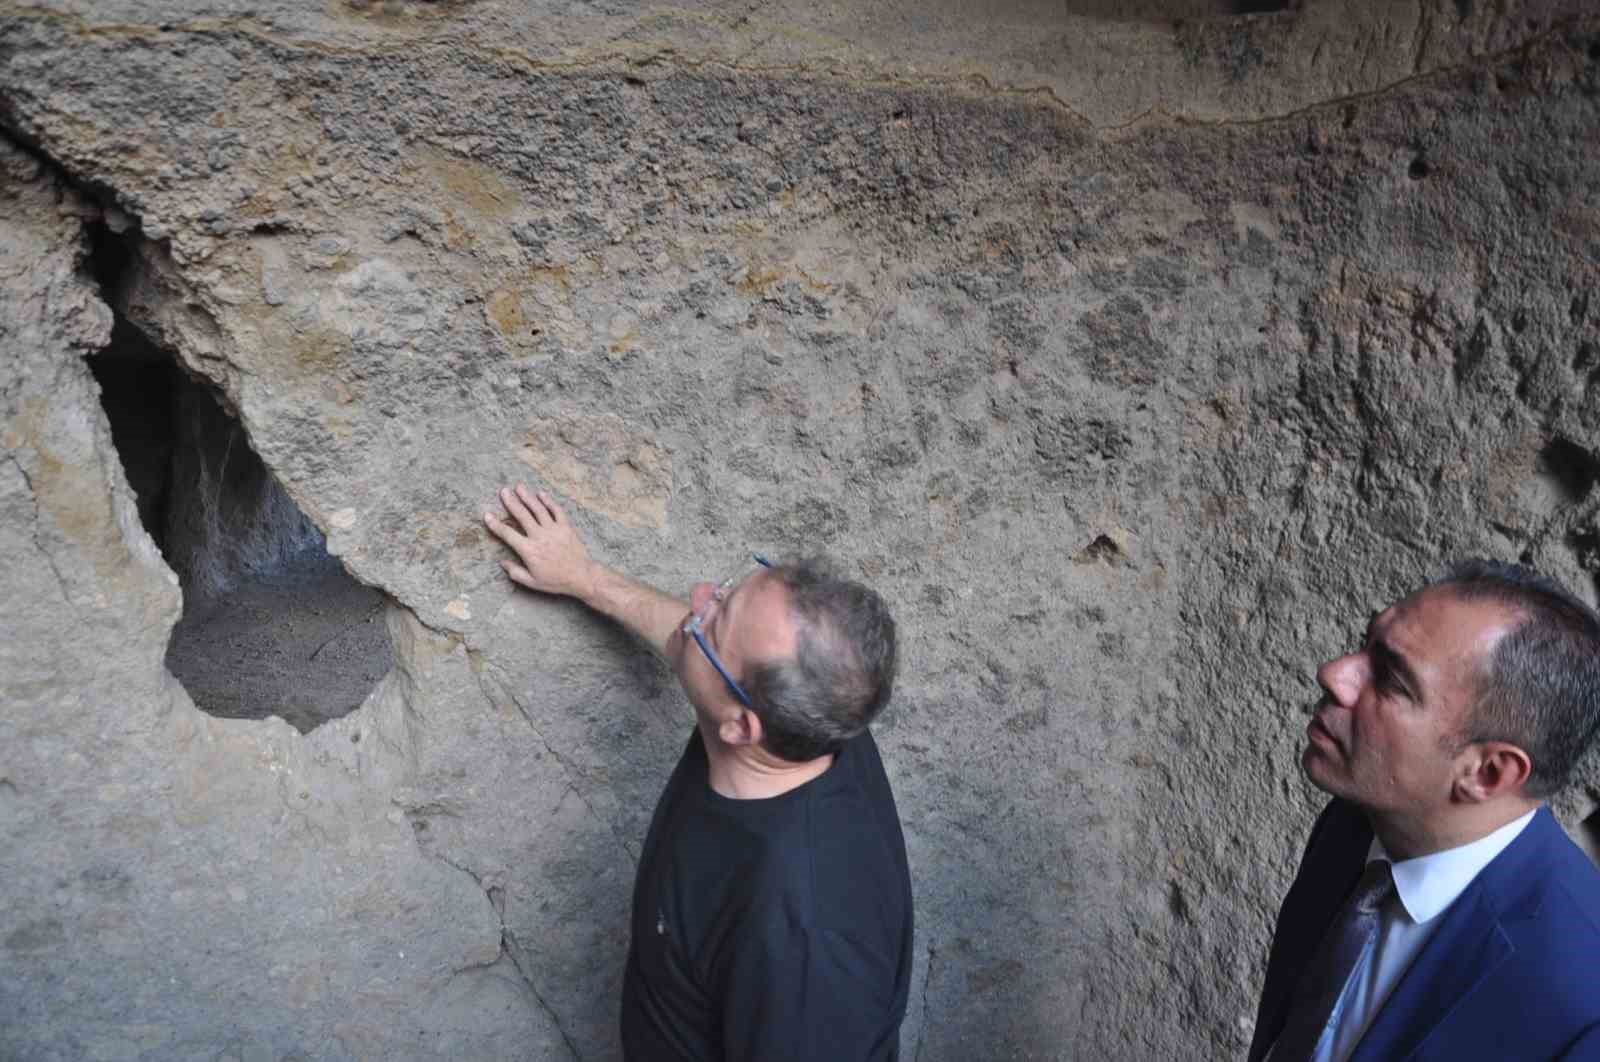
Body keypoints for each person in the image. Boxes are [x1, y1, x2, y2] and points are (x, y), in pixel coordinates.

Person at [483, 483, 913, 1061]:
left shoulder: (804, 944)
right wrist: (584, 576)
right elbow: (692, 641)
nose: (700, 595)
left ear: (741, 727)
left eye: (717, 618)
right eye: (731, 589)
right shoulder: (820, 722)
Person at [1249, 559, 1600, 1062]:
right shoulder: (1354, 823)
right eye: (1367, 642)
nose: (1335, 674)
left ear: (1488, 774)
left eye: (1391, 678)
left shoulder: (1580, 1005)